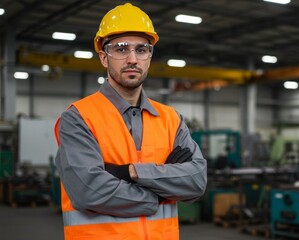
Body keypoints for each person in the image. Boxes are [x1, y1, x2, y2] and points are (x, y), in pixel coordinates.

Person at [54, 3, 207, 240]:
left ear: (149, 56)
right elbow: (88, 191)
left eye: (142, 49)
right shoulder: (78, 117)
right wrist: (158, 196)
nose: (133, 59)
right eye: (121, 49)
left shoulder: (171, 119)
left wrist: (131, 172)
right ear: (104, 58)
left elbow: (196, 181)